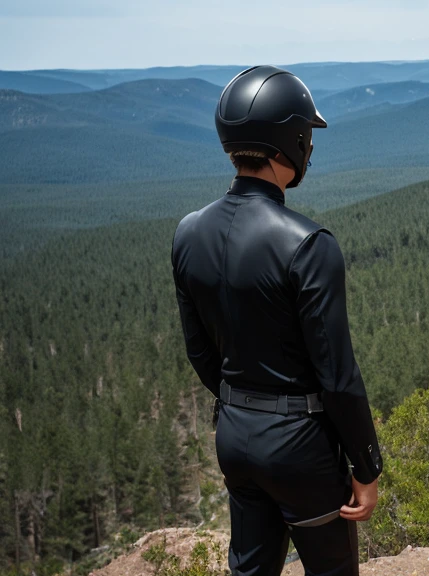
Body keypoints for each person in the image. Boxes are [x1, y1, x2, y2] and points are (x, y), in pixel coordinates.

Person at [171, 65, 383, 575]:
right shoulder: (308, 244)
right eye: (306, 134)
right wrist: (366, 464)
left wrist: (242, 405)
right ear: (292, 139)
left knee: (250, 567)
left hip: (235, 437)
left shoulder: (187, 232)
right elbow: (337, 375)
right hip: (299, 448)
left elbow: (199, 352)